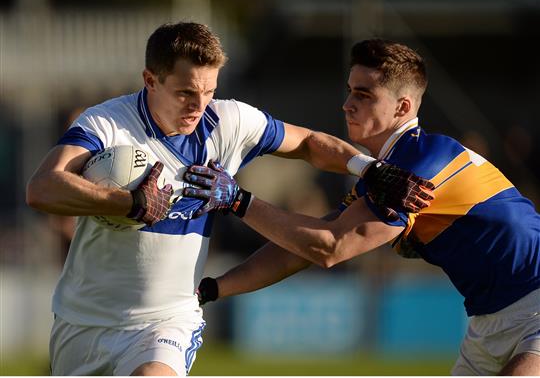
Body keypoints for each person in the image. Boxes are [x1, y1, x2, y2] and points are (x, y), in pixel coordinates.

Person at [25, 23, 434, 376]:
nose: (198, 105)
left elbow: (309, 143)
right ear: (150, 80)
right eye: (186, 92)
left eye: (208, 91)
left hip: (165, 321)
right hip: (82, 322)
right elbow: (43, 187)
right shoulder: (107, 123)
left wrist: (368, 169)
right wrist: (127, 204)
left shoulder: (228, 120)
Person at [185, 39, 540, 376]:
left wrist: (238, 200)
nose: (347, 104)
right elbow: (299, 250)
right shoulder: (386, 175)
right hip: (489, 319)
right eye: (350, 91)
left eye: (363, 94)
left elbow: (330, 248)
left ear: (402, 107)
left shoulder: (418, 162)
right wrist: (211, 289)